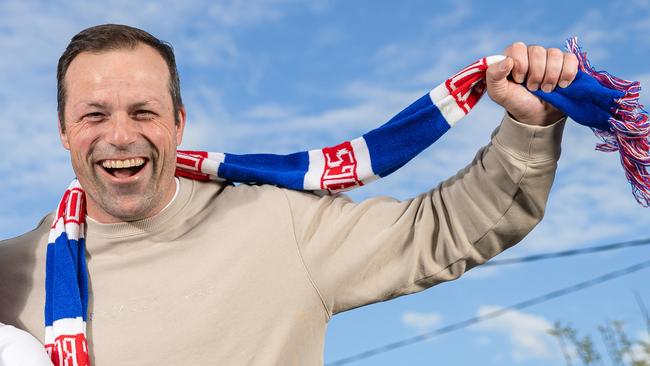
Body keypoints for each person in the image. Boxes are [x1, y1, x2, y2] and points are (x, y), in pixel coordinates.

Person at [0, 24, 576, 364]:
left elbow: (442, 231)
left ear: (178, 123)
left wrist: (530, 128)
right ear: (63, 130)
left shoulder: (278, 224)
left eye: (143, 111)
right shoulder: (13, 275)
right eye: (94, 114)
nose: (120, 136)